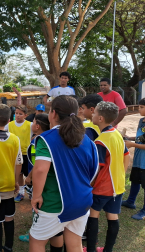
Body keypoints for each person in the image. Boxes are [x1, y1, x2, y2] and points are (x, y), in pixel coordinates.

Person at [29, 95, 99, 252]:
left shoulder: (46, 138)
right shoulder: (86, 138)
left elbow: (40, 169)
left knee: (36, 241)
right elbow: (94, 170)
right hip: (82, 201)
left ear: (53, 114)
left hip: (55, 204)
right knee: (74, 244)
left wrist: (36, 196)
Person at [85, 101, 130, 252]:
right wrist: (121, 174)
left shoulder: (101, 141)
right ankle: (108, 250)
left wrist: (90, 185)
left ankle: (90, 249)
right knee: (113, 217)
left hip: (102, 187)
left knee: (93, 215)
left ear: (100, 118)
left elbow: (97, 168)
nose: (92, 114)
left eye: (95, 112)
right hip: (118, 186)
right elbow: (126, 155)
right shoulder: (117, 134)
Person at [0, 104, 22, 252]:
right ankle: (8, 246)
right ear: (9, 120)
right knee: (9, 217)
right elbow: (18, 162)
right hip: (8, 184)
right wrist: (15, 181)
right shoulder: (14, 139)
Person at [19, 113, 50, 244]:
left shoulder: (37, 141)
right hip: (47, 180)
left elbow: (37, 162)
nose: (31, 124)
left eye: (33, 122)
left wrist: (29, 176)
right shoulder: (49, 139)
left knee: (35, 205)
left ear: (37, 126)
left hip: (37, 180)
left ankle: (34, 230)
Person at [122, 98, 145, 220]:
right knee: (135, 180)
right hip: (138, 159)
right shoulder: (141, 121)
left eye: (141, 107)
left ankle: (144, 211)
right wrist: (129, 138)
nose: (139, 109)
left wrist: (132, 145)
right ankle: (130, 202)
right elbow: (140, 138)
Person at [5, 105, 32, 202]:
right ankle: (21, 193)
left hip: (26, 154)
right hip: (15, 153)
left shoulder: (30, 125)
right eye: (16, 113)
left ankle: (31, 191)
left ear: (25, 115)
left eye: (20, 114)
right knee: (19, 174)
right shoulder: (9, 125)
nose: (18, 115)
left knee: (29, 174)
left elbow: (37, 133)